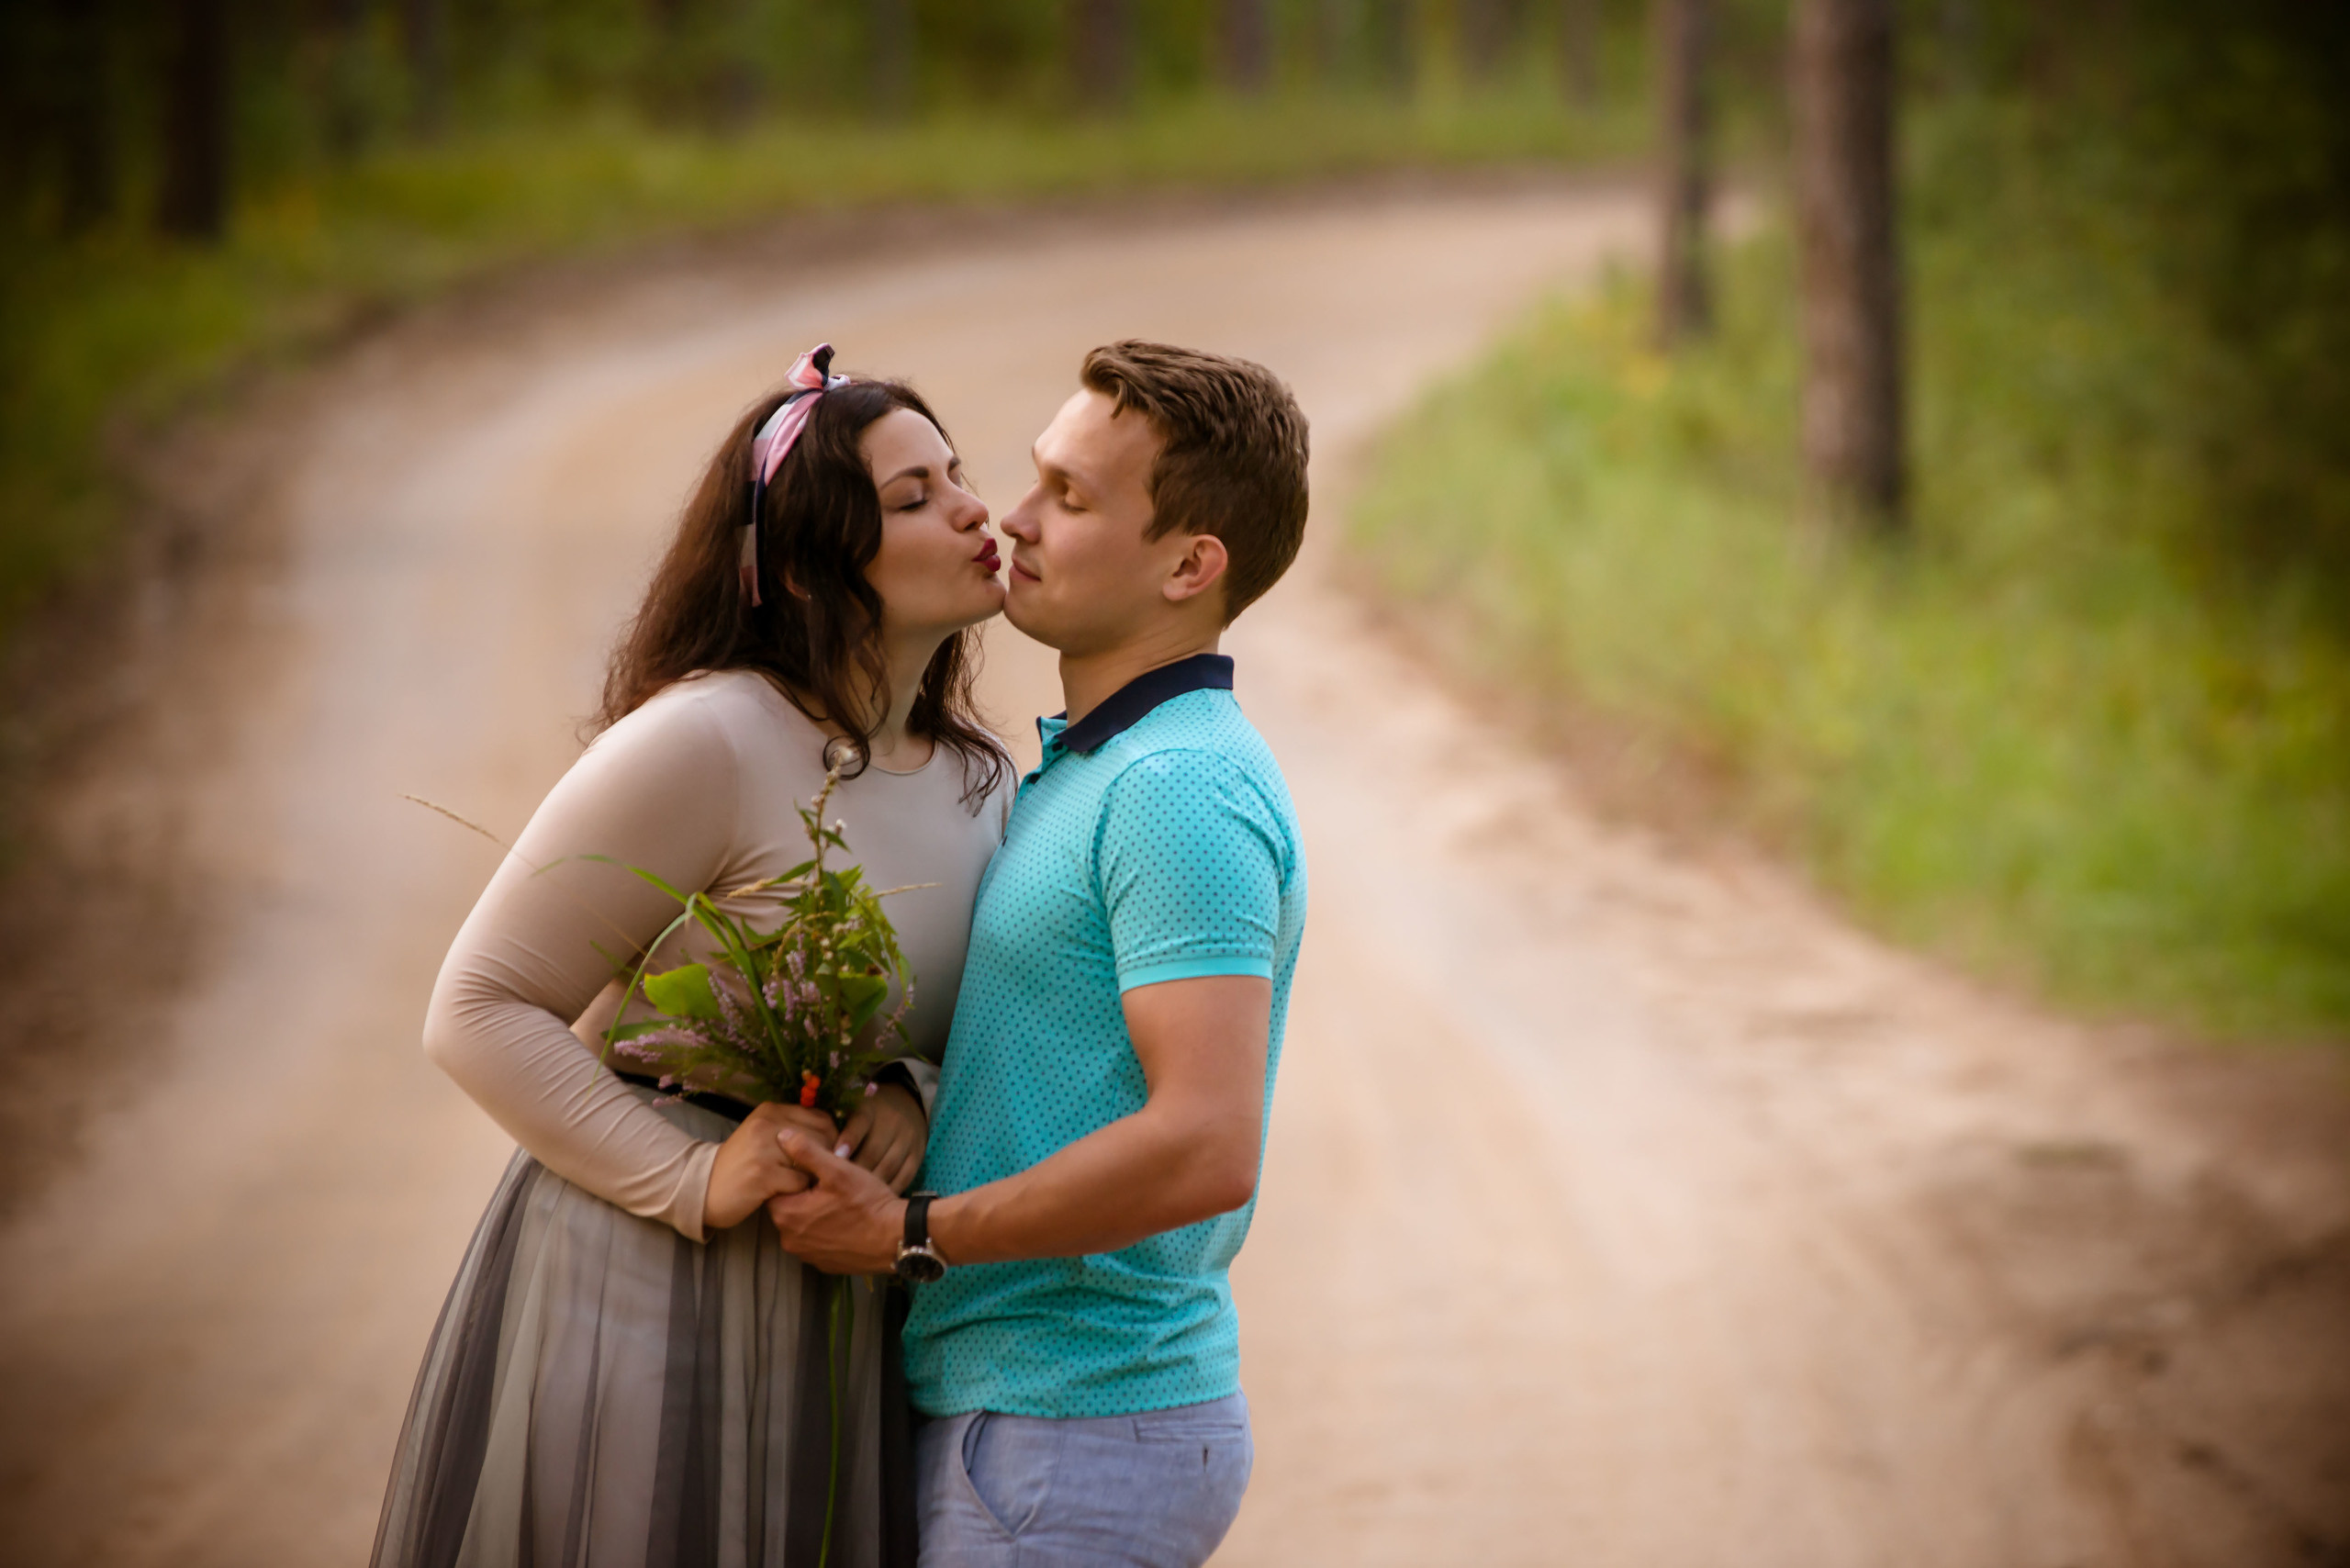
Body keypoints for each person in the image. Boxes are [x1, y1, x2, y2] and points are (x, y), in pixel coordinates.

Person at [372, 346, 1013, 1568]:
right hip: (641, 1272)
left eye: (958, 476)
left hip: (839, 1287)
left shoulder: (981, 785)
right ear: (819, 571)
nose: (975, 510)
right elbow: (479, 1007)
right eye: (914, 497)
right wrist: (697, 1182)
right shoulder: (708, 737)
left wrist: (905, 1095)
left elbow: (957, 1023)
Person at [767, 341, 1312, 1568]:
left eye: (1070, 496)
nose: (1013, 519)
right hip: (1035, 1427)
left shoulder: (1176, 787)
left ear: (1190, 564)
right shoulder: (1090, 768)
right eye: (1035, 478)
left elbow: (1206, 1141)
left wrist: (914, 1232)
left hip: (1072, 1433)